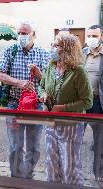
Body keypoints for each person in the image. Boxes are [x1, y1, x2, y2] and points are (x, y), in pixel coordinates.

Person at [0, 21, 50, 179]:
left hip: (36, 105)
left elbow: (48, 81)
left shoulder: (42, 53)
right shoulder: (10, 50)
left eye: (25, 33)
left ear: (34, 35)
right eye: (19, 33)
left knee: (33, 145)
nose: (21, 36)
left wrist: (38, 73)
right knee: (15, 145)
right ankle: (16, 177)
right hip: (15, 104)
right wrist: (19, 83)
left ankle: (28, 175)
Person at [39, 33, 93, 186]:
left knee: (70, 166)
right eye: (53, 44)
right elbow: (41, 85)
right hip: (50, 123)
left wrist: (63, 108)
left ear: (67, 49)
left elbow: (87, 101)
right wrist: (42, 94)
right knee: (51, 164)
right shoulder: (50, 66)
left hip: (71, 125)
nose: (53, 48)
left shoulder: (78, 71)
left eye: (57, 45)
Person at [84, 24, 103, 185]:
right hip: (82, 103)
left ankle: (99, 174)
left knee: (99, 142)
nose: (91, 39)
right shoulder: (82, 54)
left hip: (98, 102)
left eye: (94, 36)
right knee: (75, 136)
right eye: (89, 35)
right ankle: (74, 171)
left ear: (101, 37)